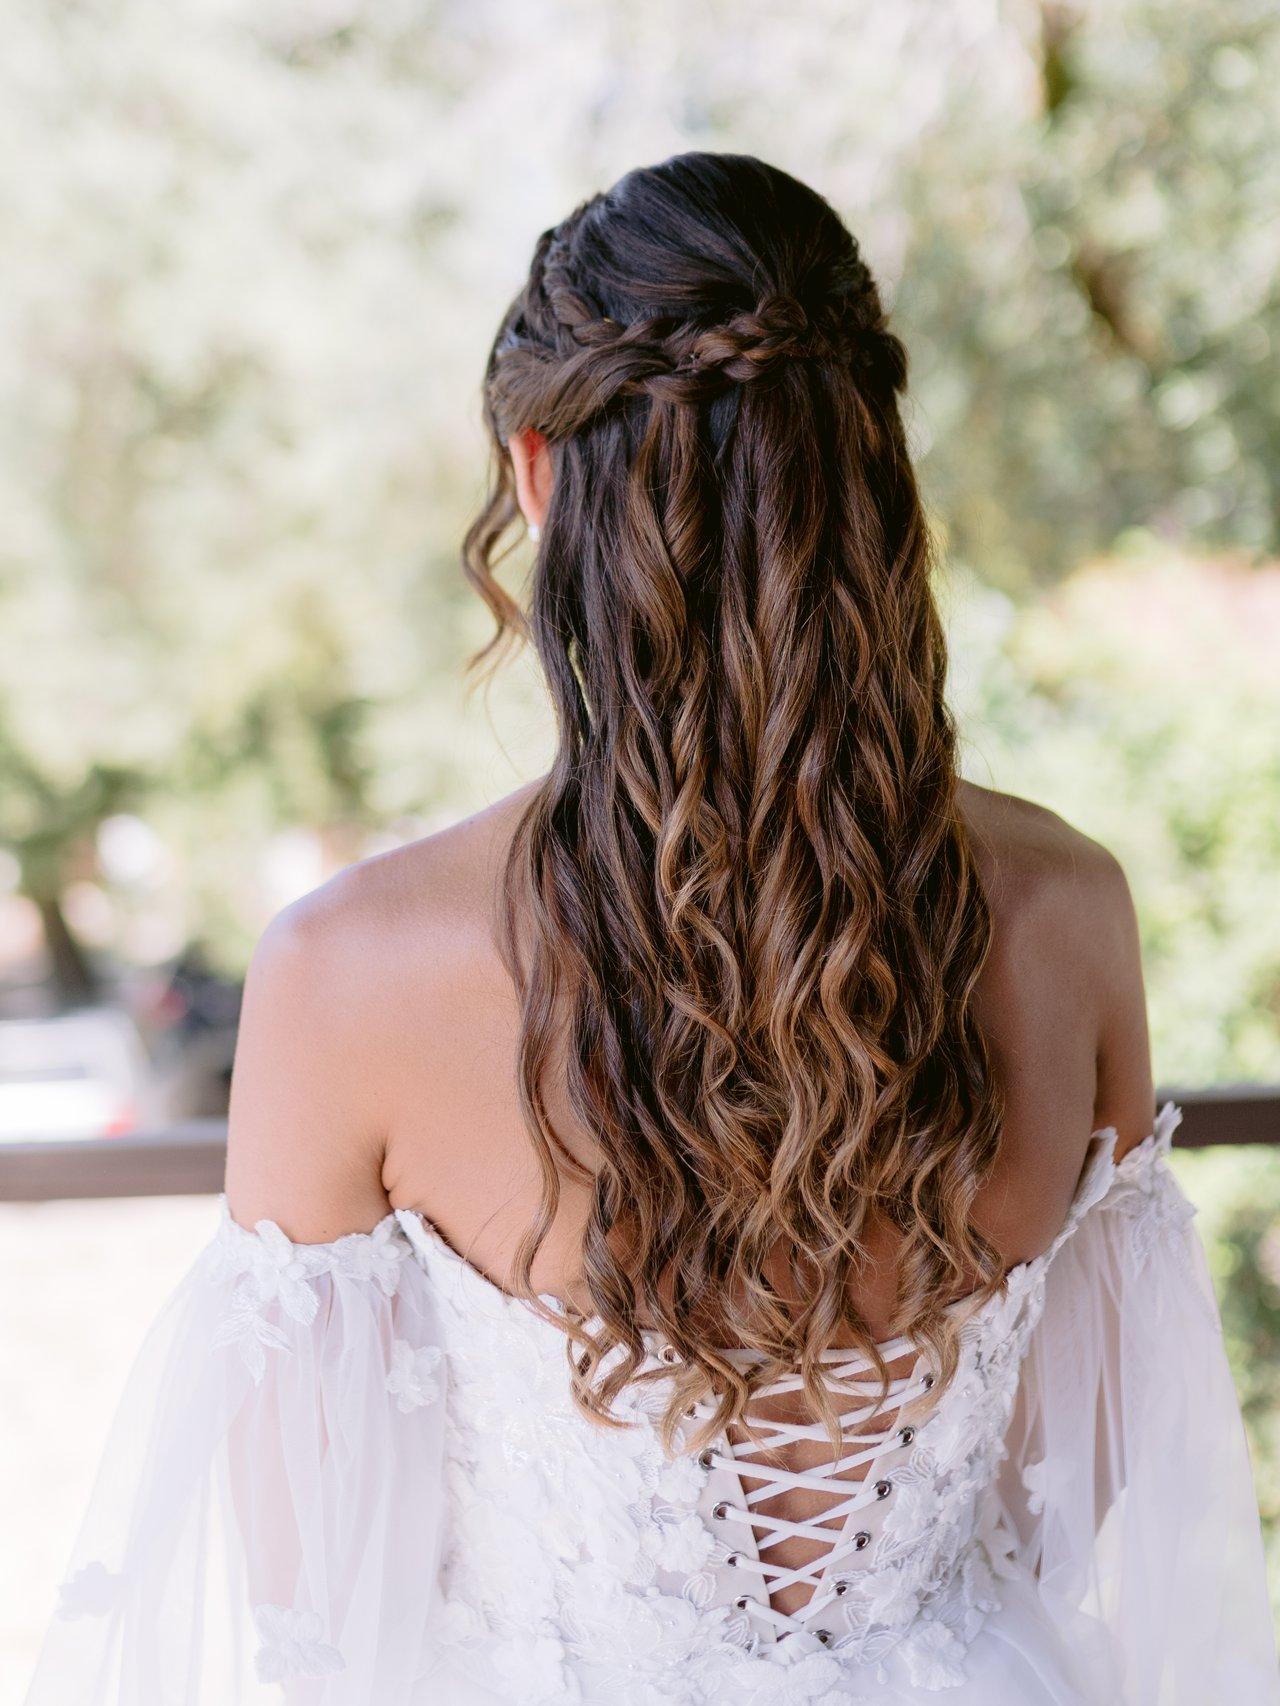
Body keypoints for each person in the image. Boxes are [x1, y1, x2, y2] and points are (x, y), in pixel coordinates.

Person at [25, 151, 1279, 1705]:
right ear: (870, 469)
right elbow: (1078, 1475)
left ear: (539, 476)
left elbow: (313, 1590)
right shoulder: (1071, 911)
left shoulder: (345, 973)